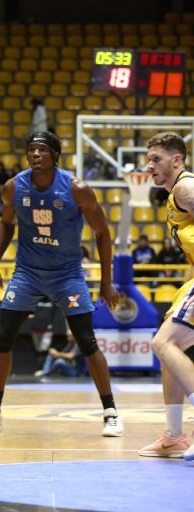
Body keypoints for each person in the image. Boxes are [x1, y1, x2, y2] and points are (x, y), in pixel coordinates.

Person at [0, 131, 123, 437]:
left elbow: (103, 233)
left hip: (67, 273)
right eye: (30, 150)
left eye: (41, 150)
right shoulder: (13, 187)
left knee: (86, 341)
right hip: (27, 271)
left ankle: (111, 412)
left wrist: (106, 282)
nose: (35, 154)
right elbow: (7, 225)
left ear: (54, 155)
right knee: (5, 337)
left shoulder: (77, 189)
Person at [138, 132, 194, 459]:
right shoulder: (176, 195)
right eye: (149, 160)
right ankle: (174, 436)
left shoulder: (186, 188)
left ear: (177, 160)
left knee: (163, 344)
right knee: (166, 343)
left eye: (156, 159)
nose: (150, 166)